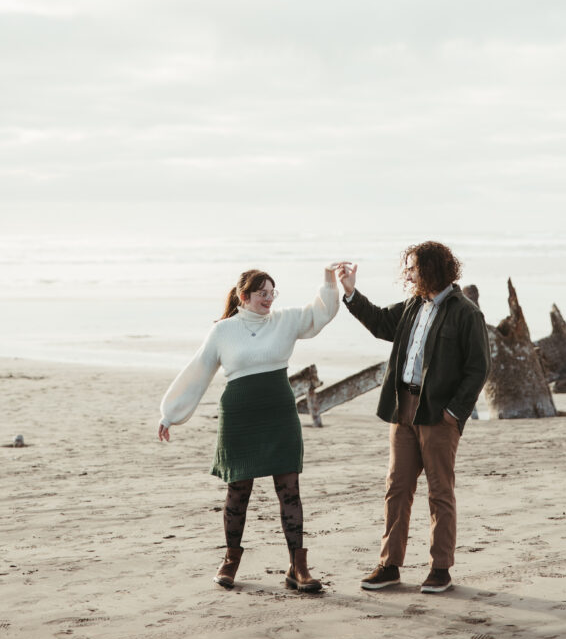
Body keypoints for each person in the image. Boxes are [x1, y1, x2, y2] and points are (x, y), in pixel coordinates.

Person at [158, 264, 341, 593]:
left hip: (279, 415)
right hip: (240, 419)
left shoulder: (284, 321)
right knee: (238, 492)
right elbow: (198, 371)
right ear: (245, 296)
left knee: (289, 491)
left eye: (273, 293)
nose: (269, 299)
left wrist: (329, 280)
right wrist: (170, 413)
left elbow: (321, 314)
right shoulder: (223, 331)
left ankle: (298, 567)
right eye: (263, 294)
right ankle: (230, 560)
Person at [338, 242, 489, 594]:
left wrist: (454, 412)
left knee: (440, 493)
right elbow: (378, 322)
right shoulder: (411, 307)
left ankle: (440, 569)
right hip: (402, 408)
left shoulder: (466, 313)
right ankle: (389, 565)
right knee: (397, 489)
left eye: (412, 268)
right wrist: (350, 293)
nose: (406, 274)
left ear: (433, 269)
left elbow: (479, 368)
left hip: (439, 415)